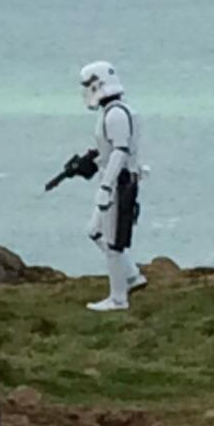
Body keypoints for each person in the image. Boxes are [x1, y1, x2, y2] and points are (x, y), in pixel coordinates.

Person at [78, 60, 146, 313]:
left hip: (118, 183)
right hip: (113, 179)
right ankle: (132, 276)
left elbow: (120, 151)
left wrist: (106, 187)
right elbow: (110, 150)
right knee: (95, 231)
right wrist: (92, 163)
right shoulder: (114, 111)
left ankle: (118, 298)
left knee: (113, 241)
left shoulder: (116, 114)